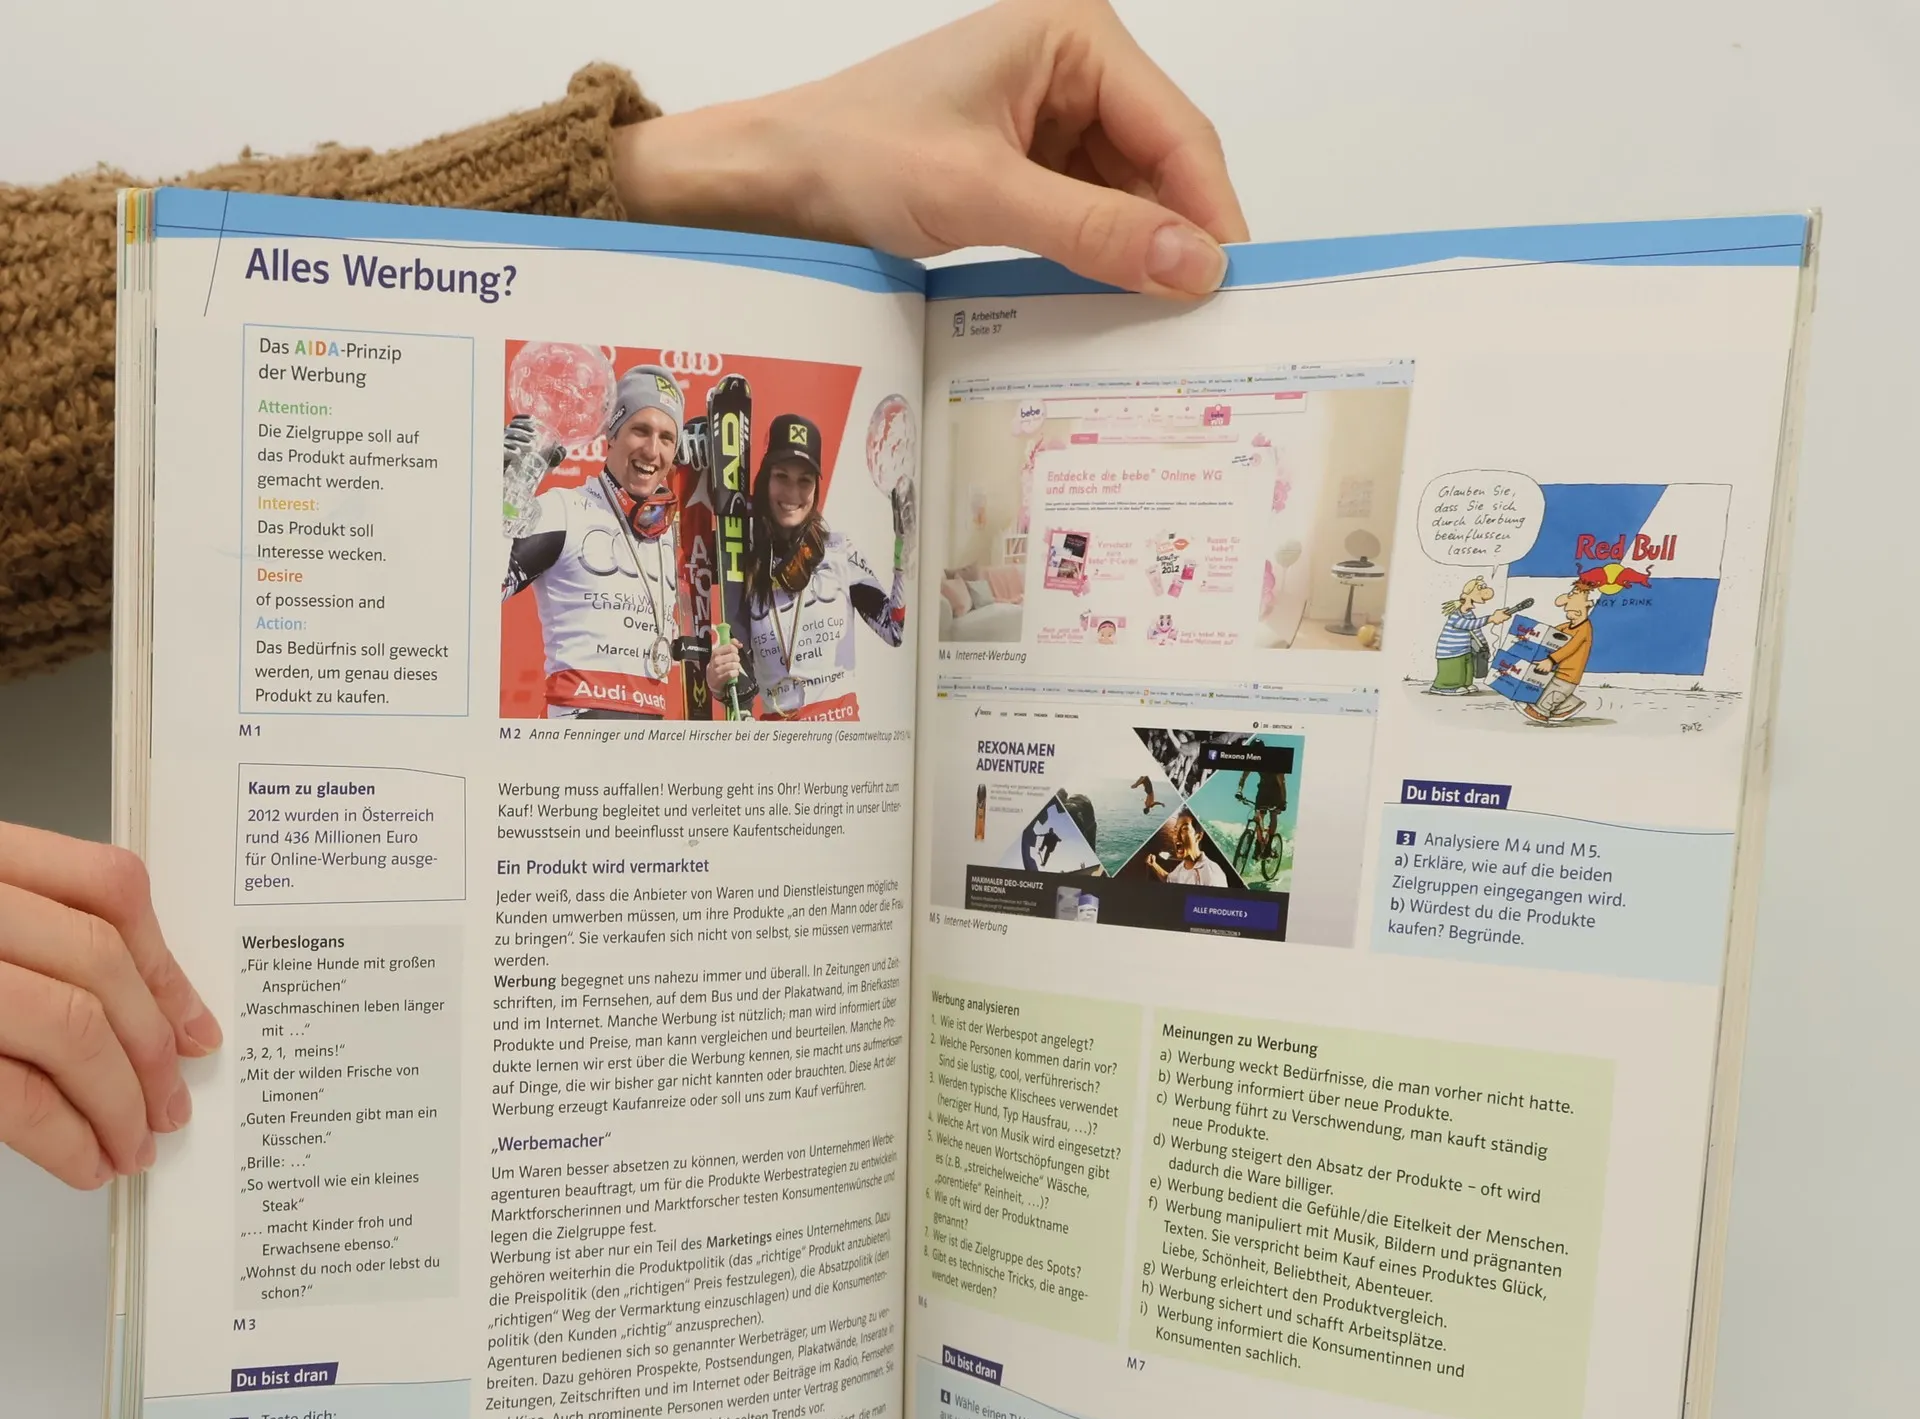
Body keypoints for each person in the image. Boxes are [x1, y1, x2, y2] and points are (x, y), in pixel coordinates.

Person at [0, 0, 1246, 1189]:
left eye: (677, 438)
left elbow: (900, 626)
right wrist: (510, 487)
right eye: (640, 433)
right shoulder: (576, 514)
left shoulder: (777, 549)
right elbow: (479, 579)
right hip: (568, 803)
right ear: (614, 441)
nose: (667, 453)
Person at [502, 366, 741, 718]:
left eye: (666, 438)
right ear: (612, 434)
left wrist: (716, 679)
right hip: (577, 734)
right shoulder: (565, 510)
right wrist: (502, 489)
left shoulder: (671, 534)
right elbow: (481, 586)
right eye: (639, 430)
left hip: (649, 737)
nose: (652, 450)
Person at [728, 415, 903, 719]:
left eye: (804, 481)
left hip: (836, 730)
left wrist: (905, 554)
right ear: (766, 478)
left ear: (815, 488)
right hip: (776, 737)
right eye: (781, 476)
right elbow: (735, 663)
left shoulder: (839, 550)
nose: (792, 493)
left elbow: (894, 630)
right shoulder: (745, 561)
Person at [1525, 579, 1598, 725]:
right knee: (1550, 689)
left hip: (1568, 674)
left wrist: (1551, 660)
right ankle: (1570, 705)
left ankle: (1541, 711)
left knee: (1552, 694)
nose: (1568, 614)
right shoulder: (1567, 627)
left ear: (1581, 609)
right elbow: (1553, 633)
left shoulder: (1584, 630)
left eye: (1571, 611)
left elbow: (1570, 648)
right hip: (1558, 670)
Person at [1428, 576, 1517, 695]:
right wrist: (1490, 619)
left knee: (1468, 669)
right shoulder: (1455, 614)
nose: (1486, 590)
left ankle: (1465, 684)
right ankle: (1443, 686)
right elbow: (1468, 625)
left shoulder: (1469, 613)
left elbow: (1475, 630)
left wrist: (1483, 645)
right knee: (1456, 669)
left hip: (1466, 649)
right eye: (1481, 587)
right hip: (1451, 651)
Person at [1146, 814, 1227, 887]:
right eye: (1175, 830)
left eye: (1184, 829)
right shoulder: (1181, 867)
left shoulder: (1213, 874)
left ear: (1198, 836)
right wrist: (1154, 865)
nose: (1176, 836)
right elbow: (1169, 879)